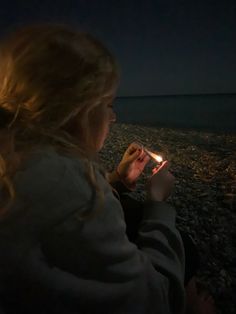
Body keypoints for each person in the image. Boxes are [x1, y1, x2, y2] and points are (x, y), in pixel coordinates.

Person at [0, 24, 212, 314]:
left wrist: (118, 181)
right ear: (81, 113)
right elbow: (147, 301)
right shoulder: (75, 190)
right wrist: (158, 204)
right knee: (185, 249)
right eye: (109, 105)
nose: (112, 118)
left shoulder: (17, 158)